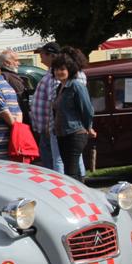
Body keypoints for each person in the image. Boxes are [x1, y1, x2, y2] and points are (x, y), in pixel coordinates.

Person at [50, 53, 95, 182]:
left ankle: (78, 199)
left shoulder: (76, 86)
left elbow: (87, 109)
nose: (59, 72)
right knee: (67, 170)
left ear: (70, 70)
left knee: (71, 171)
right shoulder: (60, 87)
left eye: (62, 69)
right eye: (57, 69)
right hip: (62, 133)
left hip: (75, 133)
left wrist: (88, 127)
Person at [31, 42, 61, 169]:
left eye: (43, 54)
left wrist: (49, 127)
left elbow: (52, 103)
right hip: (44, 128)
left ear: (52, 56)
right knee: (48, 158)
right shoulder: (49, 73)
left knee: (51, 161)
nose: (41, 57)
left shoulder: (55, 75)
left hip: (49, 129)